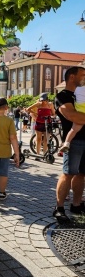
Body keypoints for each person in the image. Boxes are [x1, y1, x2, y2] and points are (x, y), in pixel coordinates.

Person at [53, 66, 85, 220]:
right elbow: (73, 116)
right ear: (72, 77)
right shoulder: (62, 96)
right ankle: (59, 207)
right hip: (74, 141)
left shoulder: (82, 94)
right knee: (68, 174)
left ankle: (76, 205)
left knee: (81, 174)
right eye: (83, 75)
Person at [59, 83, 85, 153]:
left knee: (73, 130)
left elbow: (75, 96)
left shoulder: (77, 88)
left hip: (80, 109)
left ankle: (67, 143)